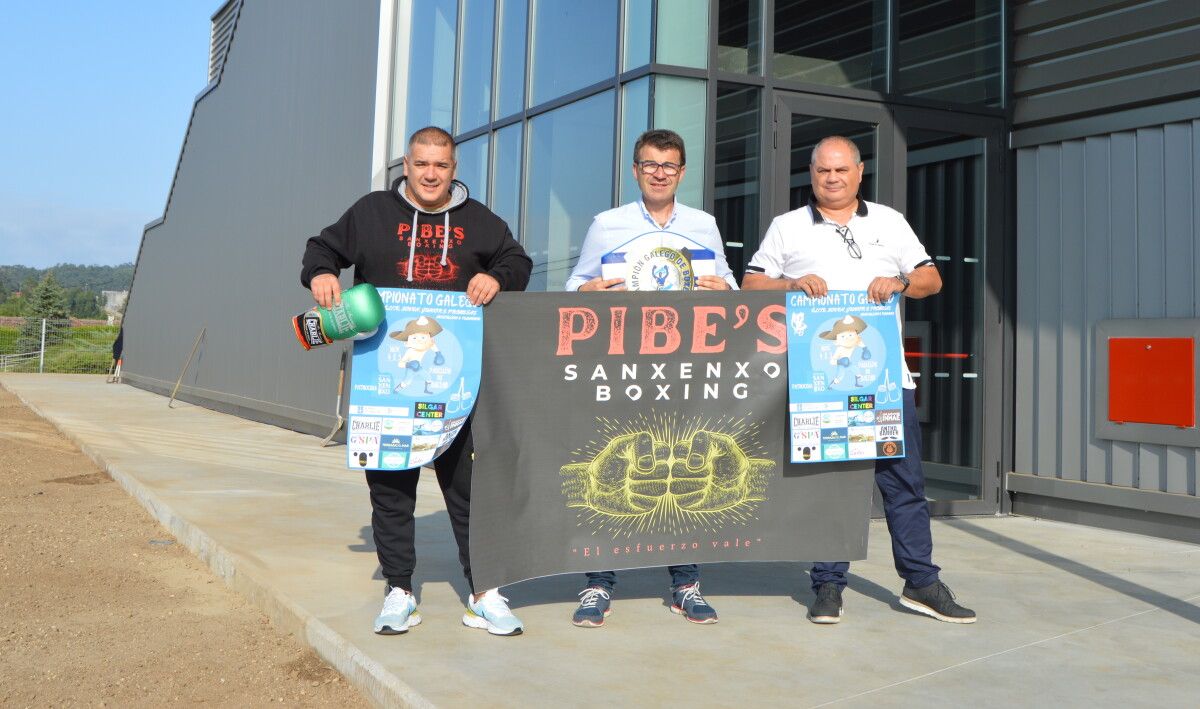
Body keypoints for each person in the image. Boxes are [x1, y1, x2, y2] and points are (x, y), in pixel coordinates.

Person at [301, 126, 533, 637]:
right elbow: (322, 247)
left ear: (454, 168)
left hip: (456, 383)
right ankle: (400, 590)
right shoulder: (370, 214)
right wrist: (321, 273)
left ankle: (483, 593)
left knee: (468, 490)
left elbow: (517, 261)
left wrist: (498, 277)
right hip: (385, 377)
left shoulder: (479, 222)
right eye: (422, 164)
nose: (431, 174)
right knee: (389, 487)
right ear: (406, 165)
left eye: (442, 166)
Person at [743, 135, 976, 625]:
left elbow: (932, 279)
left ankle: (921, 582)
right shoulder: (789, 227)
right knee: (832, 485)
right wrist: (790, 283)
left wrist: (902, 283)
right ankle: (828, 584)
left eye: (841, 170)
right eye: (823, 171)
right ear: (811, 173)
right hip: (820, 383)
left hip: (886, 381)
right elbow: (752, 284)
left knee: (904, 484)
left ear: (859, 171)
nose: (832, 178)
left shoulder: (889, 222)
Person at [564, 128, 734, 627]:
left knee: (679, 463)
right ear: (635, 170)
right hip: (623, 362)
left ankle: (686, 584)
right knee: (615, 464)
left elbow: (731, 286)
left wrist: (722, 287)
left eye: (669, 165)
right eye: (649, 164)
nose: (659, 173)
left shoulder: (703, 225)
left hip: (684, 364)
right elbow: (574, 285)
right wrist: (591, 288)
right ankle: (598, 584)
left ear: (682, 173)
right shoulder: (607, 223)